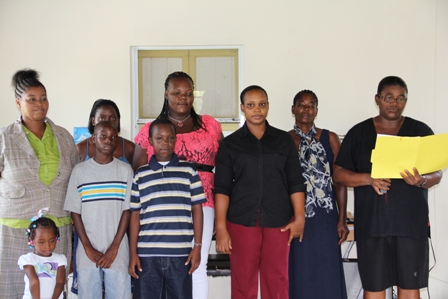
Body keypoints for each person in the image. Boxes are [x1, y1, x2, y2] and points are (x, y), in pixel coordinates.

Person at [333, 76, 443, 299]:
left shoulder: (419, 131)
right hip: (372, 225)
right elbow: (339, 174)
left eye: (400, 98)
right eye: (388, 97)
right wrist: (369, 179)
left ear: (406, 101)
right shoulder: (359, 133)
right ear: (378, 99)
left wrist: (421, 180)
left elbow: (437, 173)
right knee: (374, 288)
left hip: (410, 226)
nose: (394, 103)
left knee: (409, 288)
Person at [132, 71, 222, 299]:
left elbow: (226, 165)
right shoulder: (151, 129)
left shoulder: (209, 125)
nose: (183, 98)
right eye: (177, 92)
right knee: (167, 265)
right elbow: (137, 169)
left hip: (204, 200)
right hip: (163, 206)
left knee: (196, 264)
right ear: (166, 94)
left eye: (189, 93)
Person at [214, 85, 306, 299]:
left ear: (268, 107)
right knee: (242, 280)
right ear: (242, 108)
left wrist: (299, 217)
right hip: (241, 221)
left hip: (279, 221)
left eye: (262, 104)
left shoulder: (283, 141)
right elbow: (222, 188)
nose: (257, 110)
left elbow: (295, 181)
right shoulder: (230, 145)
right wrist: (221, 227)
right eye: (251, 105)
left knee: (277, 278)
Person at [0, 69, 79, 298]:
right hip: (15, 229)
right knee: (12, 290)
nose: (39, 104)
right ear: (18, 102)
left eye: (43, 98)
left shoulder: (63, 136)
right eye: (31, 99)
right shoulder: (4, 138)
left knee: (51, 290)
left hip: (55, 232)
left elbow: (74, 180)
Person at [129, 119, 205, 299]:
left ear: (176, 140)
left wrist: (198, 246)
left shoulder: (188, 171)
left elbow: (197, 209)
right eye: (159, 138)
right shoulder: (141, 174)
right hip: (147, 255)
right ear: (150, 141)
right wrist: (133, 253)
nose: (165, 143)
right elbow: (134, 215)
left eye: (170, 138)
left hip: (180, 254)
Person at [288, 90, 348, 299]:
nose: (306, 109)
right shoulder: (284, 140)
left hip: (325, 217)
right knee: (301, 269)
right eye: (301, 105)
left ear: (316, 110)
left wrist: (342, 219)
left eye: (311, 105)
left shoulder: (330, 138)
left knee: (327, 269)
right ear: (293, 109)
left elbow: (339, 180)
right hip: (297, 216)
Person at [71, 98, 135, 294]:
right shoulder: (79, 171)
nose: (108, 140)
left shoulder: (125, 171)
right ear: (93, 138)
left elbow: (127, 210)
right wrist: (88, 247)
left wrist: (115, 246)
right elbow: (75, 212)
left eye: (112, 137)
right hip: (86, 249)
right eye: (103, 136)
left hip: (118, 249)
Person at [18, 214, 67, 299]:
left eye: (51, 241)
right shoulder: (28, 259)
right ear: (32, 241)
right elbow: (34, 281)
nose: (48, 246)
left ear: (56, 239)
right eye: (42, 242)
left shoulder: (60, 259)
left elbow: (60, 282)